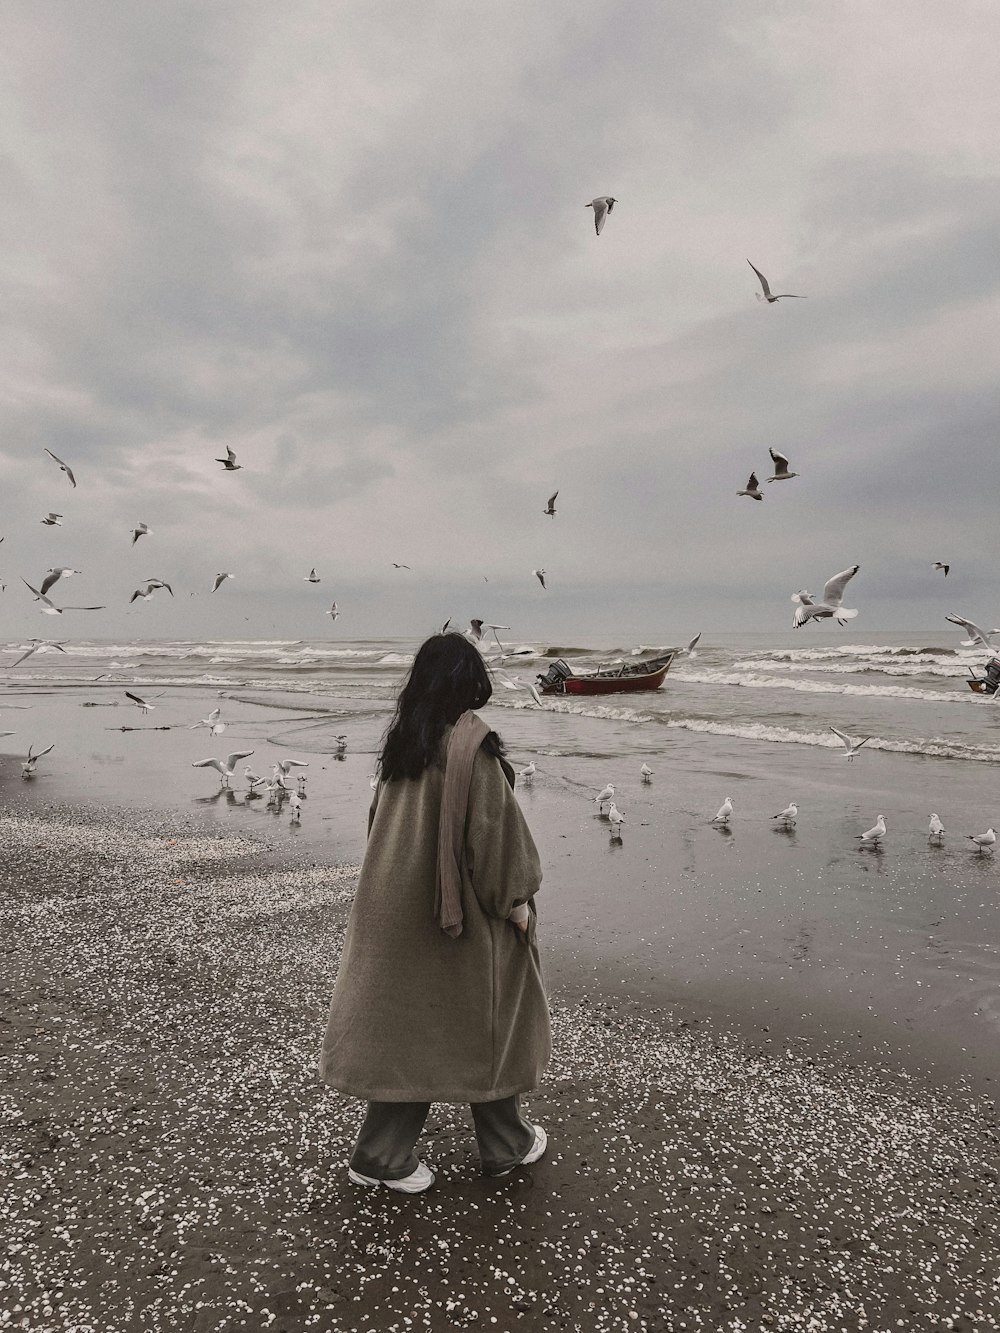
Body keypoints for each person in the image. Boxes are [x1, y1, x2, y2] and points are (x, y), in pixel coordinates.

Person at [319, 632, 550, 1193]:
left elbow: (378, 827)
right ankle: (502, 1146)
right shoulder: (475, 751)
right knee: (488, 1018)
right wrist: (517, 906)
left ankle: (390, 1152)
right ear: (468, 684)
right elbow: (497, 850)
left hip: (394, 905)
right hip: (458, 916)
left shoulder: (405, 746)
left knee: (415, 1029)